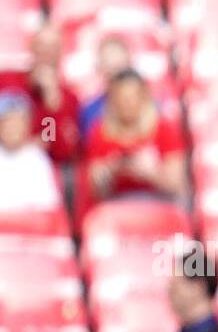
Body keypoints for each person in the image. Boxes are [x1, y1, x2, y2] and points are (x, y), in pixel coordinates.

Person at [83, 69, 185, 206]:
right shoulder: (100, 131)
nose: (126, 104)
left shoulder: (163, 128)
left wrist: (150, 172)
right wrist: (110, 171)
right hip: (116, 206)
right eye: (121, 99)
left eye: (131, 98)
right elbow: (96, 192)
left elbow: (176, 184)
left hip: (158, 204)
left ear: (143, 97)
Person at [0, 23, 80, 166]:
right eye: (41, 45)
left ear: (61, 52)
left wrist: (52, 102)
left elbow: (61, 151)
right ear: (31, 47)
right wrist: (20, 141)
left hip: (38, 171)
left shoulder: (68, 98)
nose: (46, 53)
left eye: (53, 47)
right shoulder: (6, 80)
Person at [0, 88, 62, 214]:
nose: (12, 129)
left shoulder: (38, 159)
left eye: (18, 122)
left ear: (27, 126)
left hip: (30, 227)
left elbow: (49, 206)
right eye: (7, 122)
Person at [78, 34, 132, 137]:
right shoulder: (90, 111)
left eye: (120, 71)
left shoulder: (150, 108)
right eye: (110, 71)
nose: (116, 79)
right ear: (100, 69)